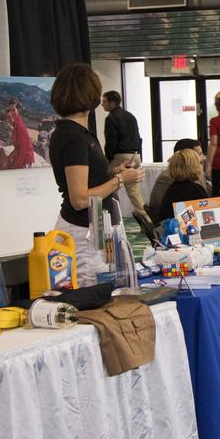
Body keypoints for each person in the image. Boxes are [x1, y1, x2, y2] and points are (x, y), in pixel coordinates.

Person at [49, 64, 144, 286]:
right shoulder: (73, 137)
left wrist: (112, 172)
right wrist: (120, 180)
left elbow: (88, 178)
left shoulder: (78, 134)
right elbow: (80, 199)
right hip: (84, 231)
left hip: (97, 227)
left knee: (108, 286)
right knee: (93, 290)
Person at [101, 90, 147, 219]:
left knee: (107, 186)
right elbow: (139, 137)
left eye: (104, 101)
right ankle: (147, 220)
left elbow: (111, 141)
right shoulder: (130, 115)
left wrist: (108, 160)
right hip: (135, 155)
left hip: (121, 156)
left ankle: (111, 217)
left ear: (112, 103)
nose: (102, 104)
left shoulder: (111, 118)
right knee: (134, 191)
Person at [149, 138, 205, 213]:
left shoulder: (192, 177)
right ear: (188, 157)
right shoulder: (168, 179)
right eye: (199, 154)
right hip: (171, 221)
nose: (203, 158)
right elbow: (176, 212)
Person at [156, 148, 210, 223]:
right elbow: (208, 216)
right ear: (194, 167)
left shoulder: (173, 188)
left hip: (169, 228)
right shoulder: (195, 190)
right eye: (200, 163)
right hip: (182, 231)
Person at [5, 99, 34, 168]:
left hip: (25, 160)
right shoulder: (16, 125)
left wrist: (15, 166)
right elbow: (18, 147)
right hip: (22, 157)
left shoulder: (20, 126)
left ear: (18, 110)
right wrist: (9, 157)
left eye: (14, 110)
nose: (12, 112)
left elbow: (23, 150)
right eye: (10, 110)